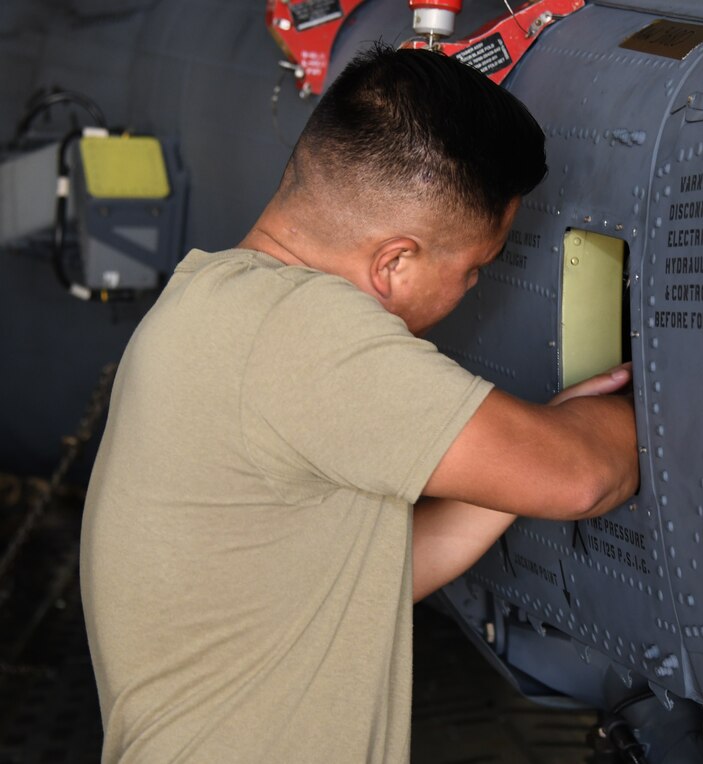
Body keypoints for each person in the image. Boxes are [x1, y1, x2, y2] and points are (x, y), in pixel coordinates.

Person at [79, 45, 638, 763]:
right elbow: (588, 476)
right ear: (395, 262)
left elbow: (355, 580)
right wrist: (636, 406)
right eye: (472, 269)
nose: (471, 289)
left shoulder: (212, 302)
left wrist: (514, 463)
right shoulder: (307, 334)